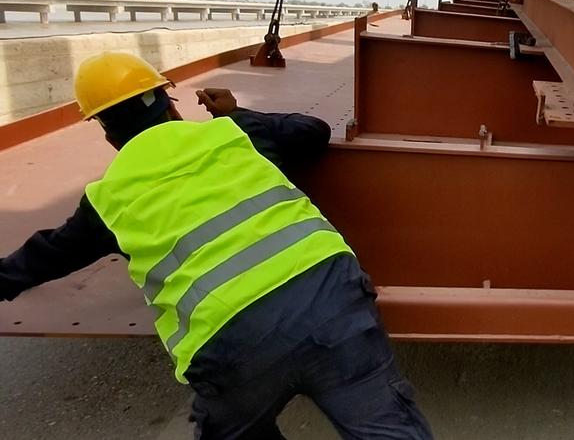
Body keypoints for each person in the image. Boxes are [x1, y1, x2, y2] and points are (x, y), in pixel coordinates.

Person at [0, 52, 432, 440]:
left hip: (232, 344)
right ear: (170, 106)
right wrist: (240, 110)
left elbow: (44, 258)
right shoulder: (235, 133)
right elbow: (314, 131)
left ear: (108, 135)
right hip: (331, 300)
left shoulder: (107, 200)